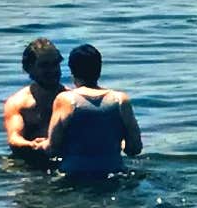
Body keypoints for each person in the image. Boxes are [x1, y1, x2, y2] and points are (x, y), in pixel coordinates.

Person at [46, 41, 144, 179]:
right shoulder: (120, 100)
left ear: (72, 71)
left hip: (73, 176)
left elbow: (52, 148)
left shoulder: (65, 100)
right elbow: (134, 148)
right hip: (113, 174)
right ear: (99, 68)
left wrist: (36, 144)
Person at [2, 37, 65, 159]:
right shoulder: (19, 103)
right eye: (44, 65)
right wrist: (32, 145)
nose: (52, 70)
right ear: (28, 68)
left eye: (55, 64)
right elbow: (14, 138)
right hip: (30, 161)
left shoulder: (72, 100)